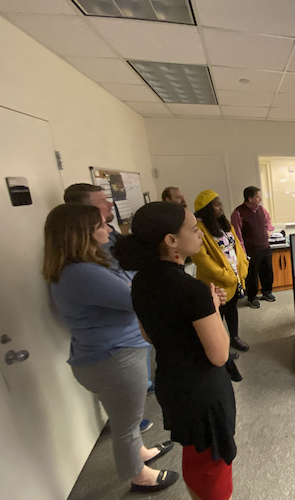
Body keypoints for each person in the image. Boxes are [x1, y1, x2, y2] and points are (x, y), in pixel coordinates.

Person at [43, 204, 178, 494]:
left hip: (106, 354)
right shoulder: (81, 273)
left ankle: (139, 453)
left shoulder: (84, 267)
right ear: (83, 234)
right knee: (127, 423)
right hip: (114, 358)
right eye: (102, 226)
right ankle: (139, 476)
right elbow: (136, 298)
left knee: (124, 418)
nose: (109, 229)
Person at [114, 202, 237, 500]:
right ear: (171, 241)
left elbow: (148, 333)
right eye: (193, 230)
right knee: (214, 461)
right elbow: (219, 355)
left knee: (195, 451)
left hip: (172, 382)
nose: (199, 235)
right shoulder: (191, 289)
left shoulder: (140, 281)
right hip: (203, 390)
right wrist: (213, 308)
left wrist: (208, 307)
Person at [65, 183, 156, 410]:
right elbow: (130, 296)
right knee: (126, 420)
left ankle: (142, 387)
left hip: (125, 339)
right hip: (113, 349)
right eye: (101, 201)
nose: (109, 204)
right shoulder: (83, 269)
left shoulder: (106, 239)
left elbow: (127, 275)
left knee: (129, 402)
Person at [192, 190, 250, 352]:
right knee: (217, 316)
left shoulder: (225, 225)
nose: (221, 207)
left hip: (234, 279)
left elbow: (237, 247)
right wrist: (225, 276)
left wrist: (243, 267)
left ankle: (234, 338)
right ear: (206, 208)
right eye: (216, 204)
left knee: (232, 309)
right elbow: (203, 261)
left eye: (220, 204)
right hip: (216, 283)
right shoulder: (199, 230)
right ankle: (219, 348)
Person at [231, 186, 275, 309]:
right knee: (252, 276)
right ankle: (252, 298)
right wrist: (242, 253)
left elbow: (268, 220)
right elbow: (237, 235)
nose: (260, 199)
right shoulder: (238, 213)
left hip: (265, 247)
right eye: (257, 196)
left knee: (267, 272)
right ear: (250, 198)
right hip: (251, 250)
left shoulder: (261, 209)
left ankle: (267, 292)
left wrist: (268, 230)